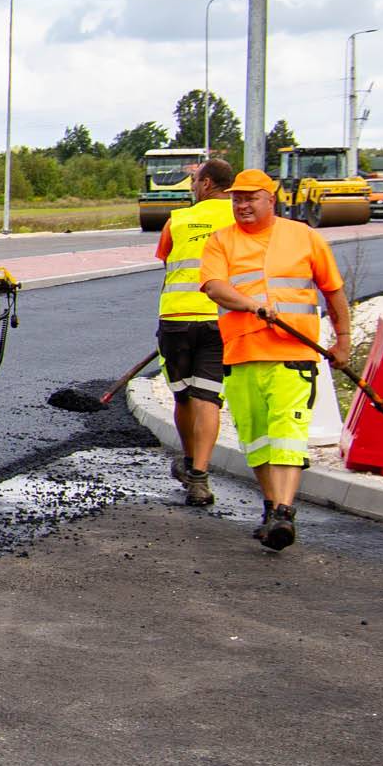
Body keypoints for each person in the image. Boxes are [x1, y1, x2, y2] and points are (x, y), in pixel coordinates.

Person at [199, 168, 354, 552]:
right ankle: (272, 509)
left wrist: (344, 341)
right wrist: (252, 305)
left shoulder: (304, 237)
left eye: (250, 198)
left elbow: (333, 291)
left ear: (271, 199)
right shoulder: (221, 241)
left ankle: (284, 511)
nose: (242, 205)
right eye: (237, 199)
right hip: (241, 354)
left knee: (287, 435)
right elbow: (214, 287)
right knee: (257, 440)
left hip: (292, 354)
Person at [153, 156, 235, 507]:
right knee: (209, 397)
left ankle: (188, 464)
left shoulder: (178, 220)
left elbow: (167, 261)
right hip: (221, 318)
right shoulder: (241, 219)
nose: (193, 188)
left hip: (176, 318)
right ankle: (199, 477)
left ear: (206, 183)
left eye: (194, 181)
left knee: (183, 396)